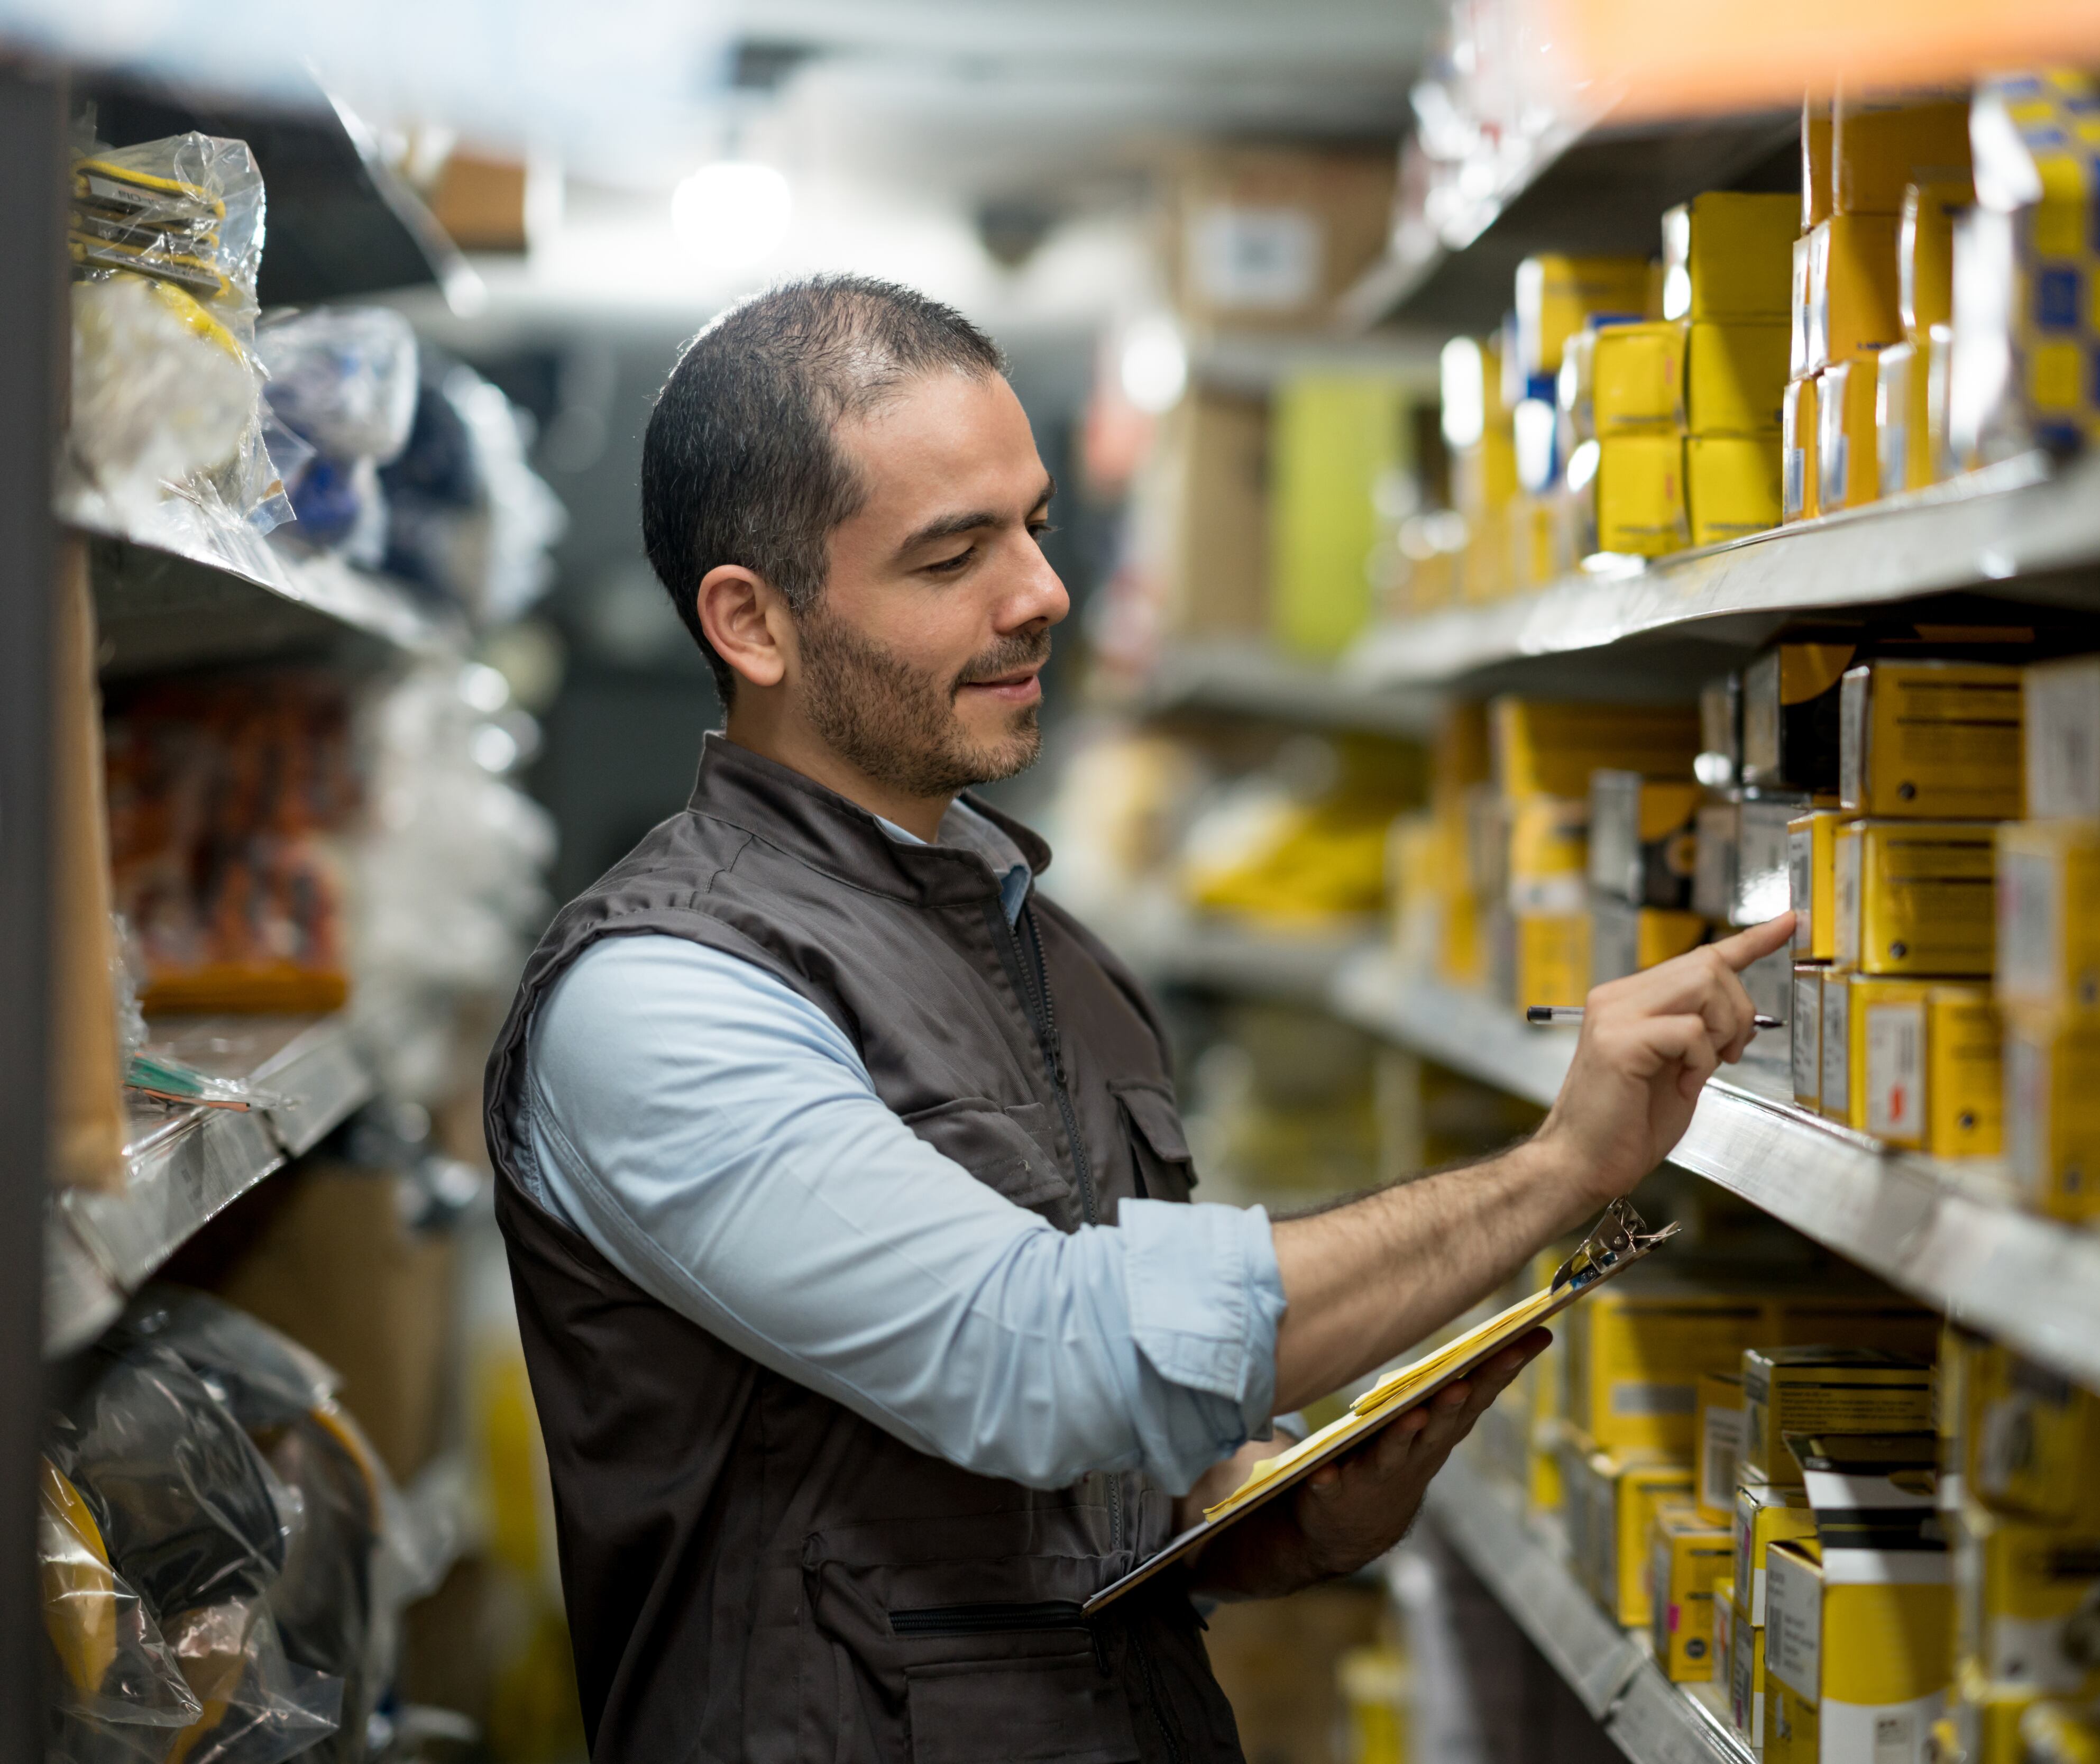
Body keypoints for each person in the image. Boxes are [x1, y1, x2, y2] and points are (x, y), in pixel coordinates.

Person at [480, 274, 1793, 1762]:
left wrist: (1250, 1519)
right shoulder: (660, 998)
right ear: (753, 622)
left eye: (1034, 525)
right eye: (952, 555)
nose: (1040, 591)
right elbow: (1034, 1358)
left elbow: (1059, 1488)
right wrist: (1554, 1176)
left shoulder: (1060, 963)